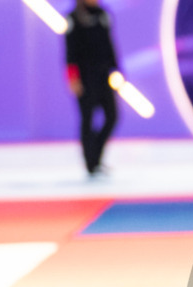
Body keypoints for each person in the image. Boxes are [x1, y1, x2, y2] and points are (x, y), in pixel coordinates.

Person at [65, 0, 119, 178]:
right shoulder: (74, 18)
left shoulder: (103, 14)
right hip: (85, 78)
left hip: (104, 76)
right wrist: (73, 78)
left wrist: (116, 69)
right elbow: (70, 51)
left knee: (112, 116)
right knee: (87, 118)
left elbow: (109, 44)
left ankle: (95, 153)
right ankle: (90, 163)